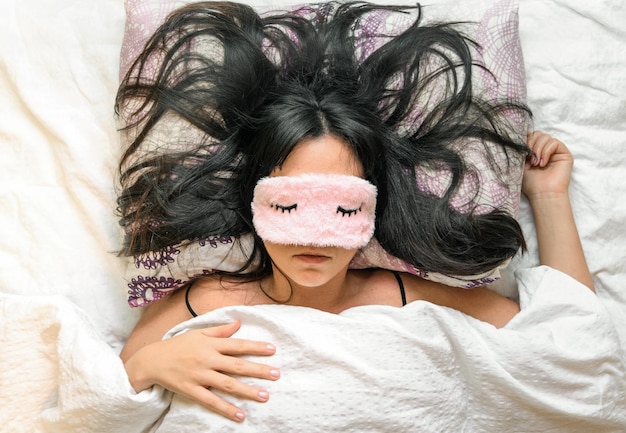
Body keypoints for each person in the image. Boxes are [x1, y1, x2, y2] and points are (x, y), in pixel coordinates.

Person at [114, 1, 593, 423]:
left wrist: (548, 197)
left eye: (343, 208)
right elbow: (109, 393)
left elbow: (571, 349)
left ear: (375, 203)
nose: (315, 237)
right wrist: (150, 365)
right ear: (253, 201)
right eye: (288, 204)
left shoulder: (403, 292)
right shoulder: (212, 297)